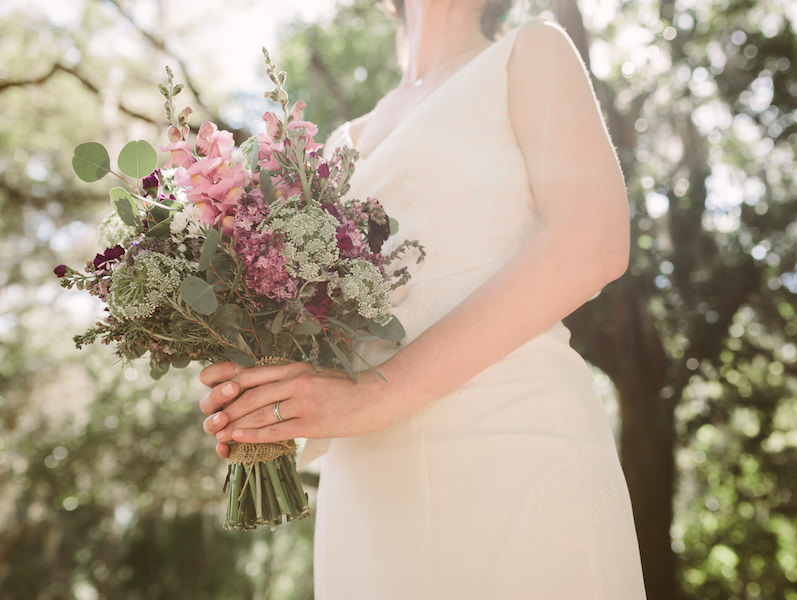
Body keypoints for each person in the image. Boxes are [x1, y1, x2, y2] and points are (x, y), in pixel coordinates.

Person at [199, 0, 647, 597]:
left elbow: (593, 240)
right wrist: (273, 407)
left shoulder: (529, 53)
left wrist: (378, 398)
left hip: (514, 443)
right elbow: (325, 335)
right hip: (368, 491)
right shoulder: (336, 146)